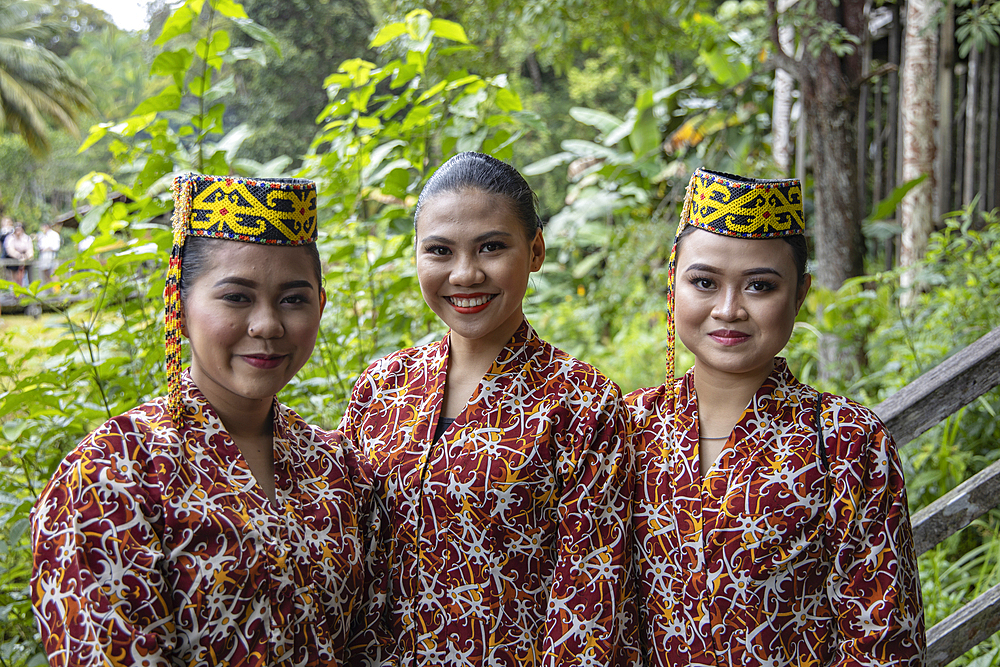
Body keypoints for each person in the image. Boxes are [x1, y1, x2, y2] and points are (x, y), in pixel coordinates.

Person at [31, 173, 370, 667]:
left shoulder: (335, 467)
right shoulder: (110, 476)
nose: (268, 324)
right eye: (236, 297)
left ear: (321, 305)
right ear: (178, 303)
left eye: (293, 299)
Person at [341, 152, 637, 666]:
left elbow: (589, 600)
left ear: (536, 250)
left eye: (492, 248)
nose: (465, 273)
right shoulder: (381, 388)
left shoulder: (583, 404)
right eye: (439, 251)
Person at [629, 168, 925, 666]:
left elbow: (884, 638)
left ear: (800, 292)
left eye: (759, 286)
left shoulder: (846, 443)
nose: (728, 309)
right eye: (704, 282)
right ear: (673, 285)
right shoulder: (626, 429)